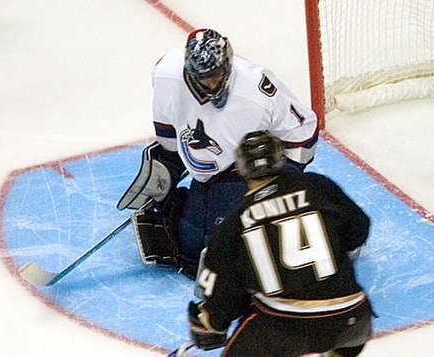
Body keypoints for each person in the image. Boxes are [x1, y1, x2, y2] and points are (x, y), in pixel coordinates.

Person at [117, 28, 318, 277]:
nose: (213, 84)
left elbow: (303, 134)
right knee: (191, 245)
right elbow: (168, 134)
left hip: (248, 168)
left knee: (218, 249)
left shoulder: (256, 89)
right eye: (204, 78)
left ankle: (300, 224)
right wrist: (167, 168)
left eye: (217, 74)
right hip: (206, 171)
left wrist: (276, 185)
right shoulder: (167, 75)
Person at [188, 130, 373, 357]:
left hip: (285, 330)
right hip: (353, 319)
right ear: (280, 159)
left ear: (242, 168)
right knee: (341, 337)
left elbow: (224, 296)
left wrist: (211, 320)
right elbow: (359, 229)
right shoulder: (318, 185)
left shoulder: (234, 220)